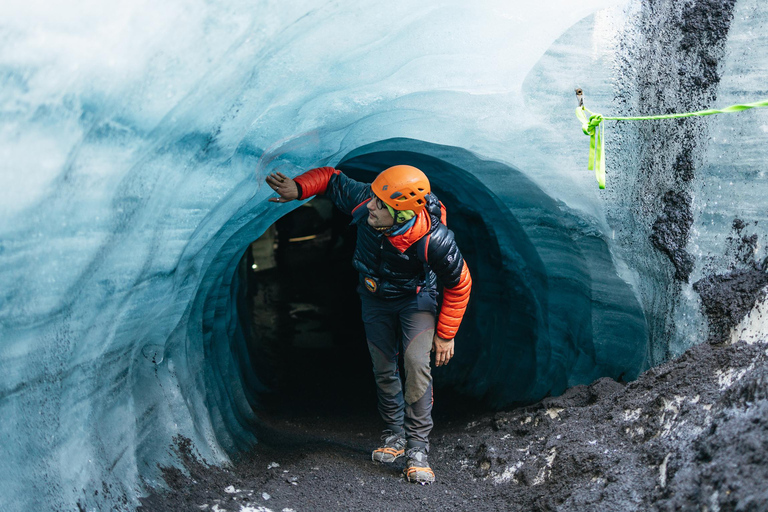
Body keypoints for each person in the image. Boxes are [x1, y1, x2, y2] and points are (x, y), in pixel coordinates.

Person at [265, 164, 472, 484]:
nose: (369, 206)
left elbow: (459, 283)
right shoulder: (367, 199)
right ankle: (394, 437)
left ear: (402, 215)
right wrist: (299, 188)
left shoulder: (435, 241)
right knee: (383, 364)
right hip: (374, 297)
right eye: (373, 198)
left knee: (416, 363)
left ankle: (417, 448)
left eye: (379, 204)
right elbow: (332, 180)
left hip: (415, 299)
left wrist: (445, 334)